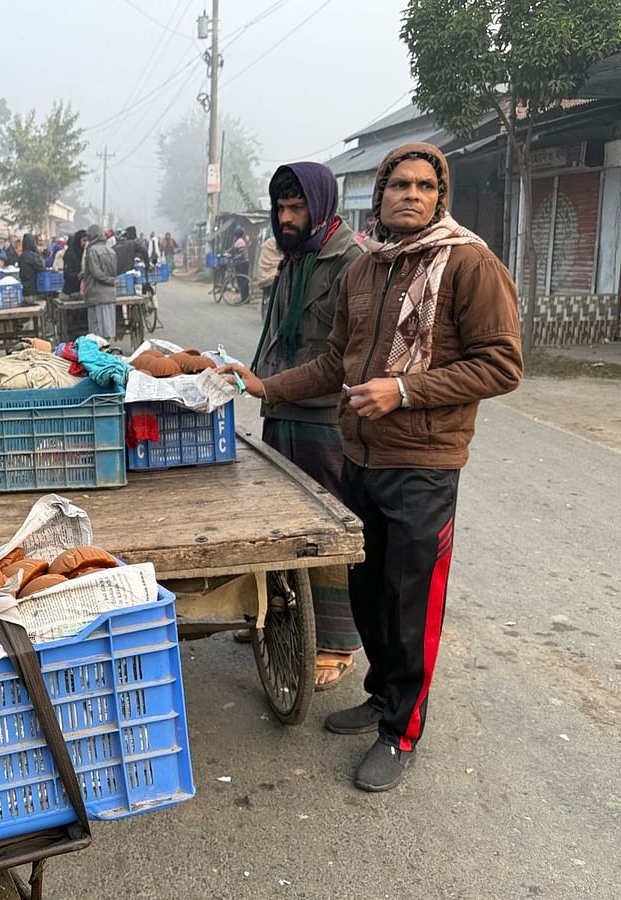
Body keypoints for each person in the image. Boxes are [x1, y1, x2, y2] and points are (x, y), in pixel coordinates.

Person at [219, 142, 522, 792]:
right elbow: (336, 363)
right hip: (358, 456)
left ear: (440, 197)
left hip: (424, 464)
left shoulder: (469, 264)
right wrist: (266, 387)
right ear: (379, 194)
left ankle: (401, 731)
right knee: (369, 594)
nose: (411, 194)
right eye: (399, 184)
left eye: (424, 185)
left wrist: (405, 390)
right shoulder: (367, 269)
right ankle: (382, 694)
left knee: (410, 602)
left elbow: (503, 364)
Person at [249, 163, 365, 690]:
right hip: (282, 414)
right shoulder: (294, 259)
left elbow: (345, 361)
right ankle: (278, 617)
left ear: (320, 206)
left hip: (324, 419)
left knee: (327, 530)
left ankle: (337, 641)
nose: (287, 218)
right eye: (281, 209)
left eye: (297, 209)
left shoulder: (351, 263)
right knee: (281, 527)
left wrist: (270, 386)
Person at [82, 223, 117, 339]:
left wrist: (108, 280)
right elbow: (113, 271)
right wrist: (111, 280)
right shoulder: (110, 250)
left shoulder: (92, 250)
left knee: (97, 331)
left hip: (96, 294)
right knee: (108, 328)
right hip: (109, 294)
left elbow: (96, 272)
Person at [17, 232, 47, 297]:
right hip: (33, 289)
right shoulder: (31, 256)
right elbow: (42, 268)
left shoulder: (22, 255)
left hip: (25, 289)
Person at [62, 229, 88, 296]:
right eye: (84, 240)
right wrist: (79, 274)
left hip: (83, 290)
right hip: (71, 291)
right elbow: (67, 274)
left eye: (88, 240)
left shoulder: (86, 252)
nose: (86, 243)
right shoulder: (70, 254)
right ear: (78, 240)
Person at [230, 225, 250, 302]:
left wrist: (233, 258)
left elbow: (240, 254)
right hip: (240, 263)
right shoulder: (238, 241)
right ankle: (245, 298)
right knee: (242, 281)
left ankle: (245, 298)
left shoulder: (240, 242)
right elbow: (233, 250)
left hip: (242, 264)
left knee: (243, 281)